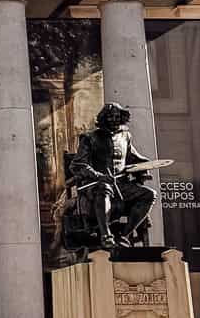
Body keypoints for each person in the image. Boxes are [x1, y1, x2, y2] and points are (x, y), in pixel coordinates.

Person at [67, 103, 157, 250]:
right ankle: (106, 235)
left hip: (122, 185)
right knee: (104, 188)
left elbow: (133, 157)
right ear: (103, 119)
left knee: (149, 194)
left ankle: (124, 235)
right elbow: (77, 165)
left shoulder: (125, 136)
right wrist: (98, 176)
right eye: (110, 117)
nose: (114, 119)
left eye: (117, 116)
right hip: (96, 185)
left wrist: (147, 165)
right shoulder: (90, 138)